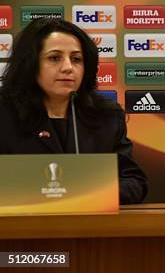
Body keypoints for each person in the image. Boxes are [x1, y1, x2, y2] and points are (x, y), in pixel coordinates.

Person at [0, 18, 148, 204]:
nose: (68, 67)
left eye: (76, 59)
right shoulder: (4, 114)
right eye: (54, 58)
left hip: (91, 228)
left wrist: (90, 193)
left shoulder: (106, 115)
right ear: (30, 63)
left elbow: (135, 182)